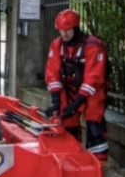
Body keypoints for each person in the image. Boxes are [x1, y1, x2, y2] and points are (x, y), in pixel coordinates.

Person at [44, 9, 109, 160]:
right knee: (64, 122)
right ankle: (72, 158)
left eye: (67, 30)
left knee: (94, 124)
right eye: (61, 30)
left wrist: (78, 102)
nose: (64, 34)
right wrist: (55, 101)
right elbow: (52, 73)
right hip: (69, 90)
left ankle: (98, 164)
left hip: (93, 92)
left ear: (76, 28)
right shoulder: (56, 45)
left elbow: (94, 77)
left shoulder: (93, 45)